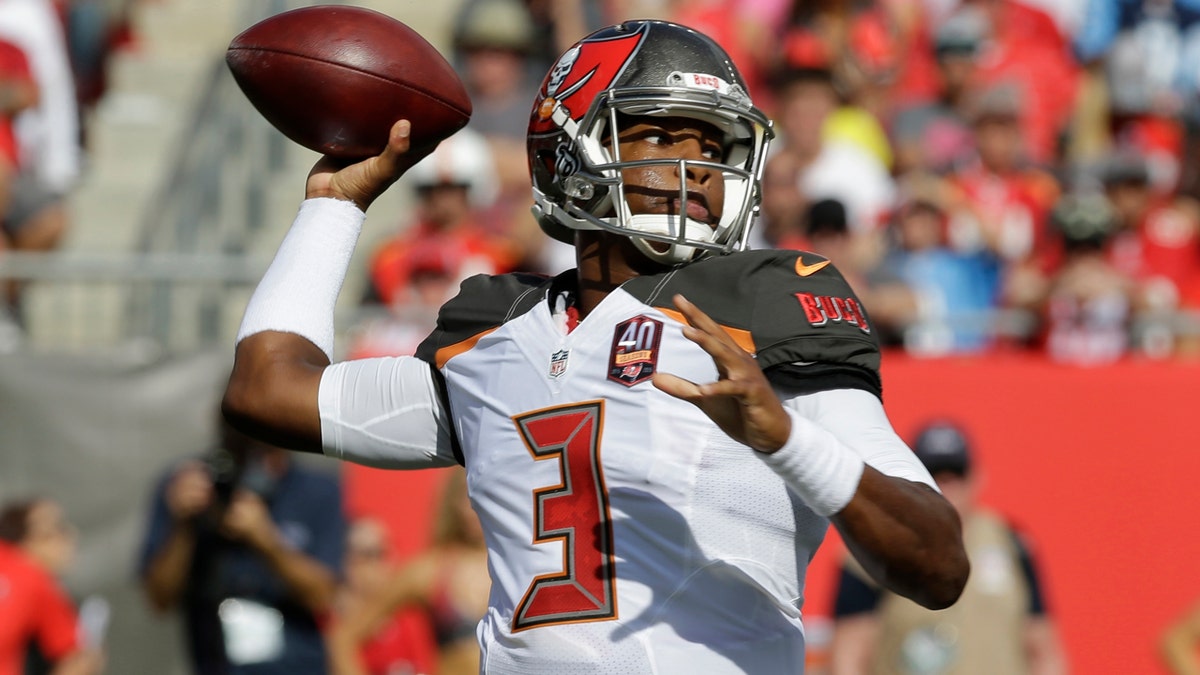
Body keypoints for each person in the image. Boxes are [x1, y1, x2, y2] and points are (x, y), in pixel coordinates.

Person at [222, 20, 969, 672]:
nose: (696, 167)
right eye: (660, 133)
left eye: (712, 143)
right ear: (565, 152)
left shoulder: (764, 304)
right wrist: (336, 206)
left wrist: (786, 438)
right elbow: (268, 390)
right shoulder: (491, 334)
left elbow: (936, 562)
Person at [829, 420, 1067, 675]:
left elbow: (1043, 648)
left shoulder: (1011, 544)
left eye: (955, 477)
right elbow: (850, 651)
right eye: (934, 476)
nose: (946, 488)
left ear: (976, 479)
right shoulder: (876, 544)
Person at [136, 419, 348, 675]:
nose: (254, 460)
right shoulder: (189, 485)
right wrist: (184, 526)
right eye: (240, 439)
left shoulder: (318, 492)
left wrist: (265, 540)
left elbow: (324, 596)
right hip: (216, 665)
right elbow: (159, 599)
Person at [328, 469, 488, 675]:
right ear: (453, 503)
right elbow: (344, 638)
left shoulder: (523, 567)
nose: (477, 505)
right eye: (468, 496)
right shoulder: (432, 571)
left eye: (487, 494)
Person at [0, 498, 105, 675]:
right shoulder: (35, 580)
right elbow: (79, 661)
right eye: (57, 530)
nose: (72, 536)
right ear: (26, 540)